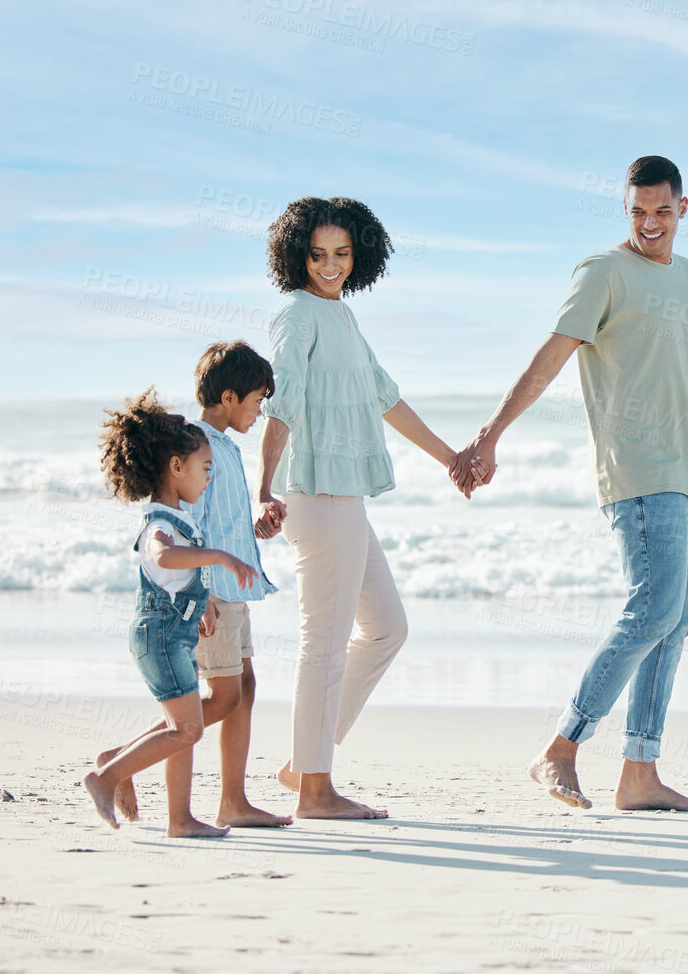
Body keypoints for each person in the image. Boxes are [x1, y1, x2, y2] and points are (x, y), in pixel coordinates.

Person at [451, 155, 688, 812]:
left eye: (662, 211)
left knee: (675, 623)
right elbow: (550, 357)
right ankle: (560, 748)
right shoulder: (601, 272)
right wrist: (489, 433)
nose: (650, 223)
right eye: (638, 211)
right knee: (651, 611)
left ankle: (639, 774)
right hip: (637, 469)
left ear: (683, 208)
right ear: (627, 209)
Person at [256, 197, 463, 820]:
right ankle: (315, 790)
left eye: (341, 254)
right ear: (296, 256)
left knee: (386, 629)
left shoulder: (341, 317)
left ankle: (303, 762)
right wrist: (263, 487)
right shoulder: (296, 317)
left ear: (360, 256)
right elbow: (281, 404)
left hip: (343, 495)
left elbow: (385, 398)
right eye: (317, 255)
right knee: (324, 641)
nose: (330, 265)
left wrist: (451, 457)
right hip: (314, 494)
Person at [95, 343, 292, 829]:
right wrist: (199, 594)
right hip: (215, 595)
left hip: (232, 589)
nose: (260, 410)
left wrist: (258, 526)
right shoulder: (198, 447)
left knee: (243, 688)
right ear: (229, 395)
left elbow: (217, 522)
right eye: (257, 399)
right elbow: (189, 523)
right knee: (223, 697)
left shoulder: (219, 446)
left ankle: (234, 801)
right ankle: (121, 761)